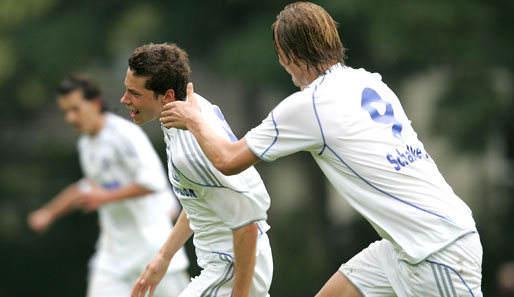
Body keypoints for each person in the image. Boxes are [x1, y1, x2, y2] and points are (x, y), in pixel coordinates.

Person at [159, 2, 483, 297]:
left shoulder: (310, 105)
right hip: (405, 247)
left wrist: (194, 119)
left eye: (282, 58)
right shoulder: (369, 81)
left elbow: (228, 161)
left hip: (436, 251)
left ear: (289, 56)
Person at [120, 43, 273, 297]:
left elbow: (246, 223)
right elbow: (200, 198)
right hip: (234, 263)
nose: (124, 100)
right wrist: (163, 257)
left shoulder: (191, 151)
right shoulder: (185, 111)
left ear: (167, 96)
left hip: (232, 267)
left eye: (134, 93)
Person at [27, 75, 190, 297]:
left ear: (94, 104)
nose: (70, 117)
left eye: (76, 109)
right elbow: (89, 187)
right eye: (65, 112)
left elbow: (153, 181)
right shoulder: (86, 144)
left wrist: (106, 198)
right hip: (112, 257)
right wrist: (48, 213)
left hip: (151, 250)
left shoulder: (124, 134)